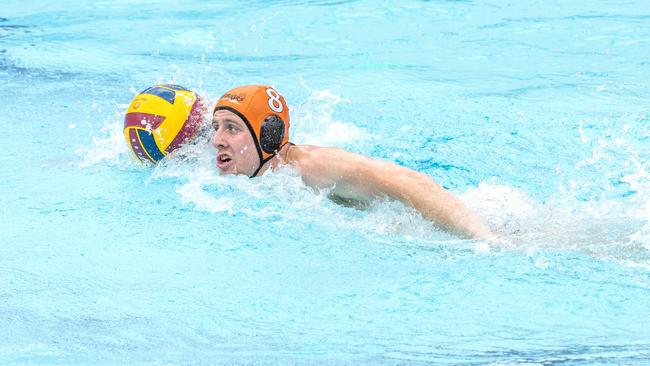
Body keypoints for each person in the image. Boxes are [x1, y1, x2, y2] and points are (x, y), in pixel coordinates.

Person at [211, 85, 494, 240]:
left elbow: (412, 183)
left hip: (466, 217)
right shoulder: (252, 166)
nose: (217, 140)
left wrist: (483, 238)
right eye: (216, 127)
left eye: (232, 128)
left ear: (268, 135)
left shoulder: (313, 167)